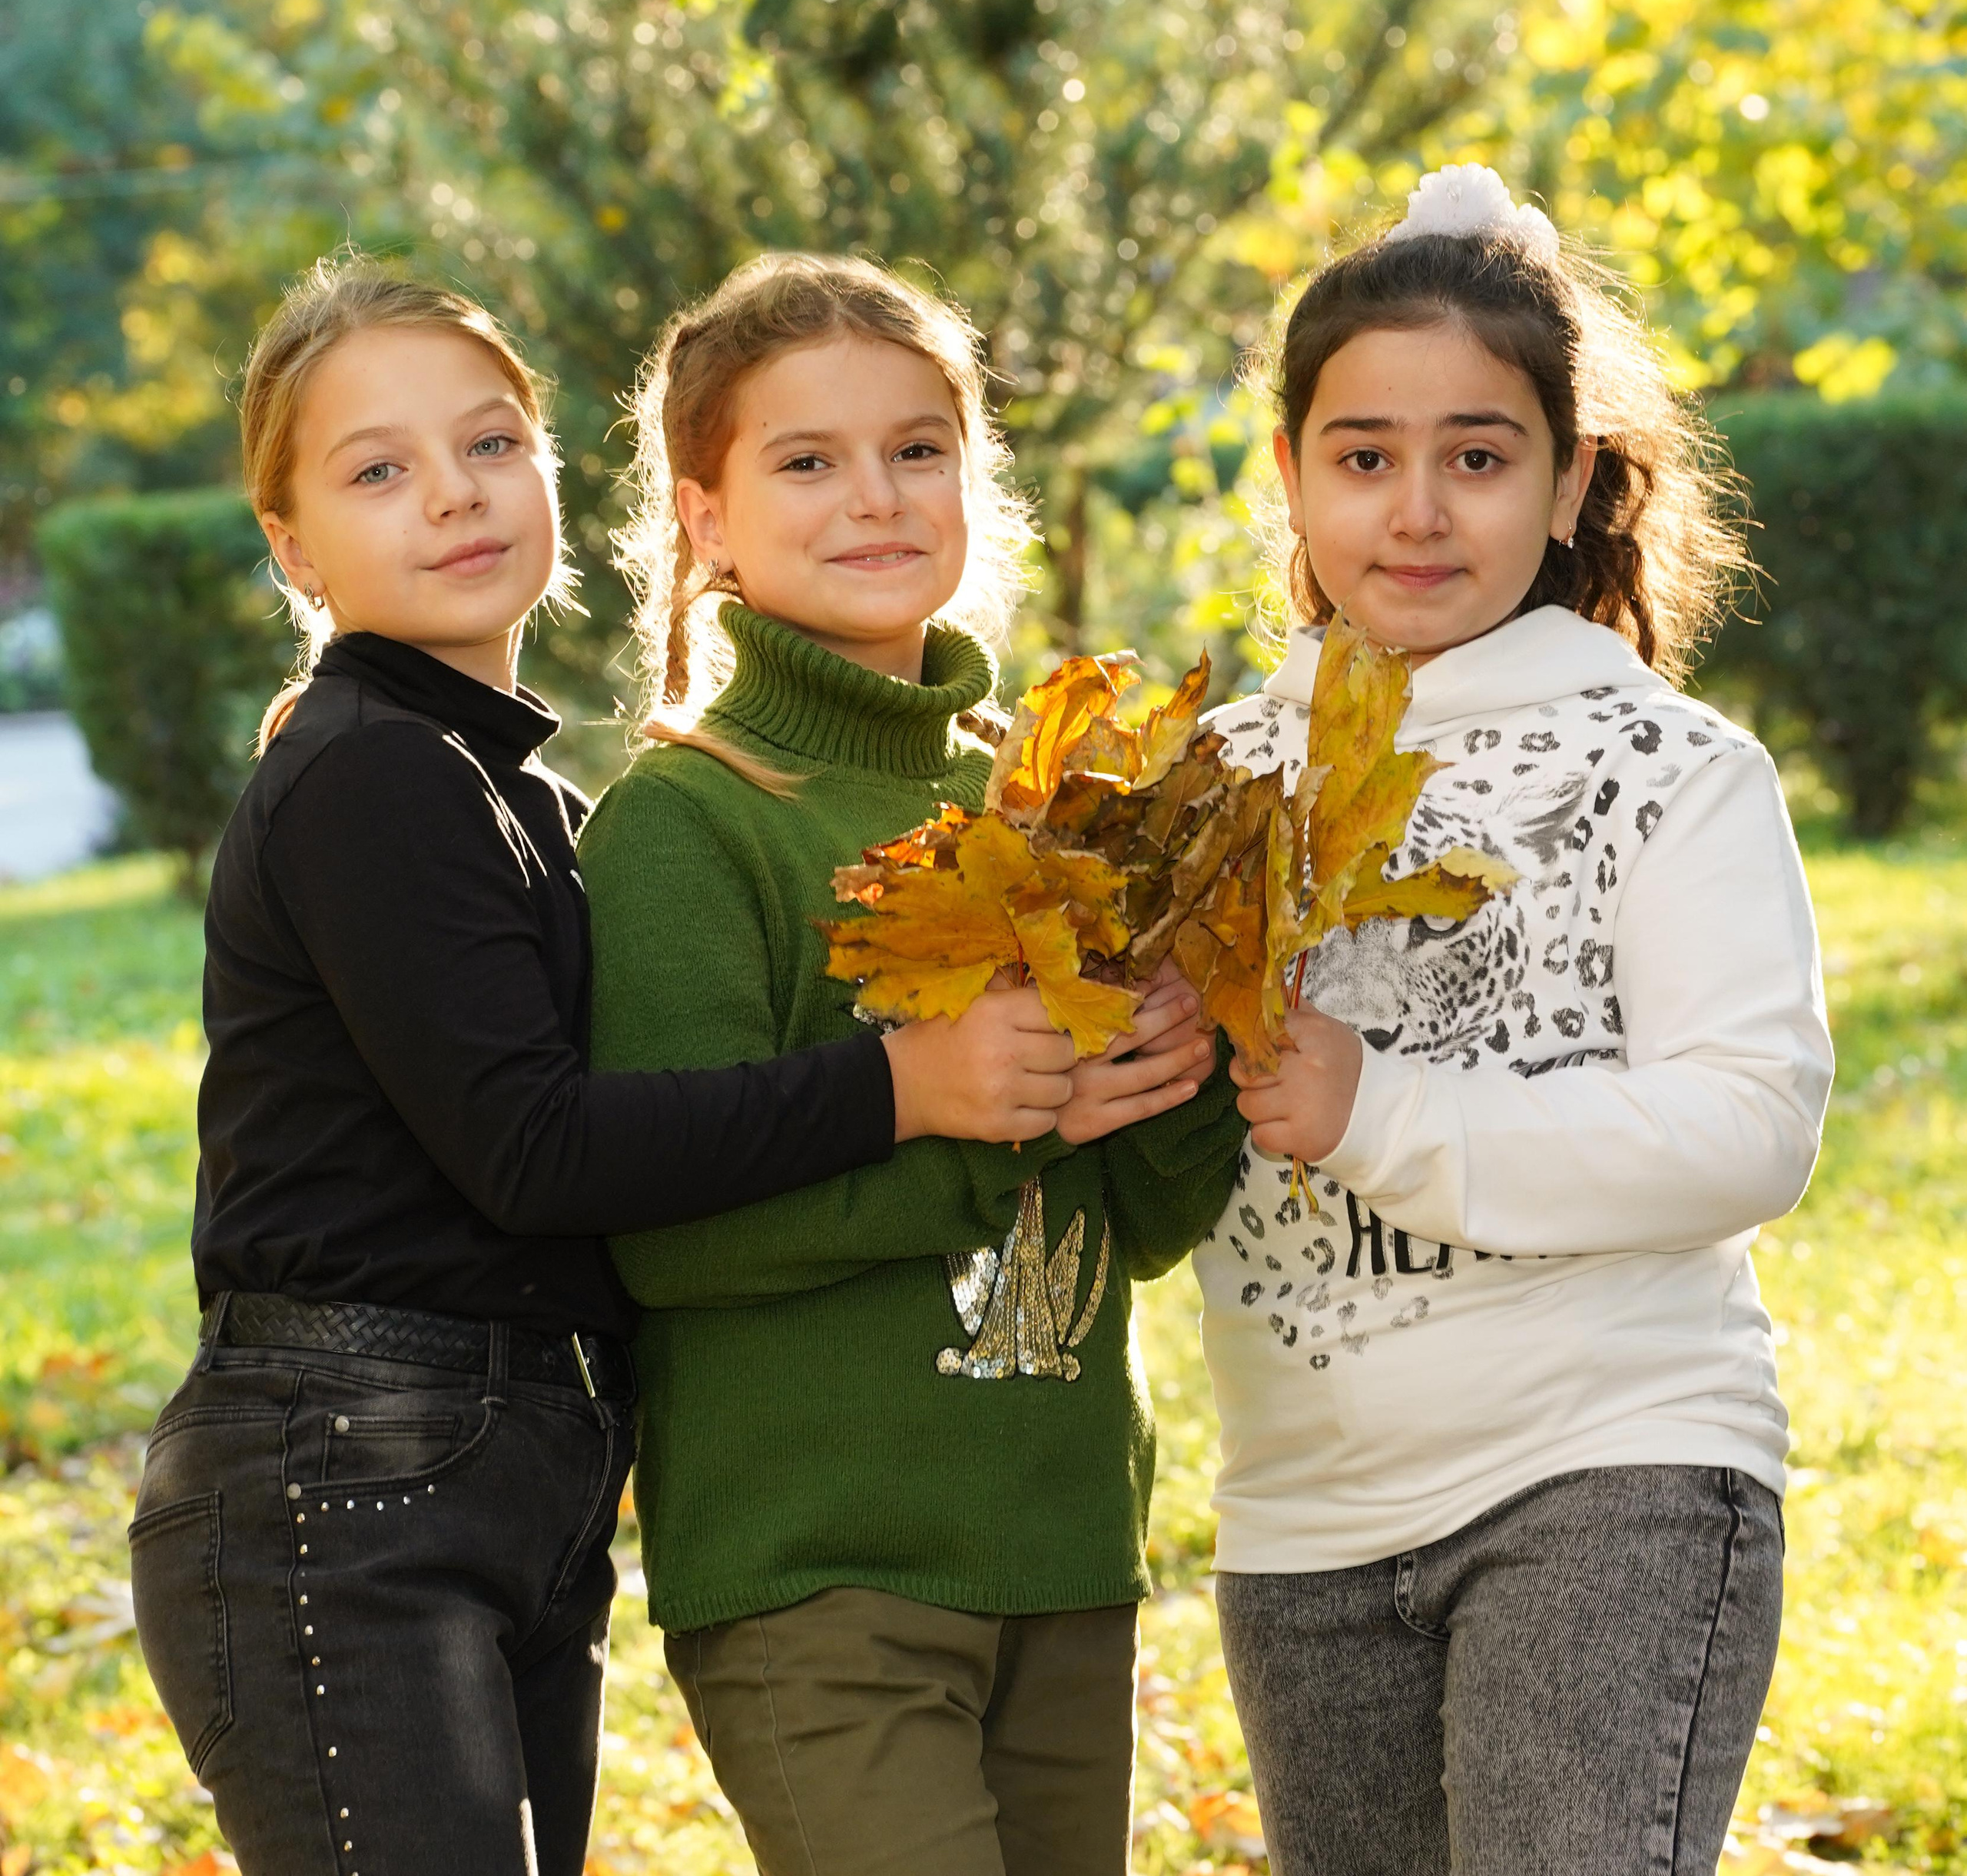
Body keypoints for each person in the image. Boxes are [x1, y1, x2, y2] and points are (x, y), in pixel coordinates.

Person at [128, 257, 1106, 1876]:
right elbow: (534, 1149)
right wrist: (902, 1085)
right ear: (294, 548)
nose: (453, 497)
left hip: (503, 1472)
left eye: (491, 444)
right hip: (346, 1475)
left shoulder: (514, 795)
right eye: (380, 472)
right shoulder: (372, 774)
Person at [1197, 165, 1835, 1876]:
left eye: (1476, 457)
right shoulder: (1213, 790)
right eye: (1361, 456)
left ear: (1566, 486)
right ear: (1290, 476)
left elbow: (1746, 1126)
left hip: (1604, 1478)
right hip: (1300, 1521)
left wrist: (1381, 1111)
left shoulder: (1669, 767)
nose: (1415, 509)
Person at [579, 251, 1246, 1876]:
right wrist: (961, 1119)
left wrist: (1173, 1063)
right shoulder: (688, 821)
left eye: (917, 448)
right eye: (804, 460)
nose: (871, 496)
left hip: (1063, 1542)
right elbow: (665, 1224)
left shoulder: (1052, 805)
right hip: (823, 1572)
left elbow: (1142, 1224)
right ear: (707, 516)